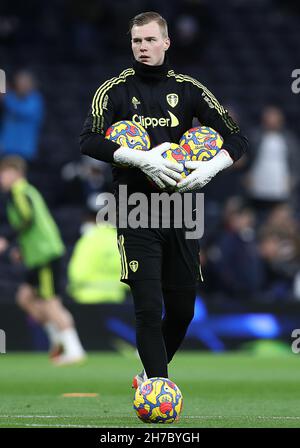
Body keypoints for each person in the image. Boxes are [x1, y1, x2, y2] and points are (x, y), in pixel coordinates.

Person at [80, 11, 248, 386]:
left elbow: (237, 138)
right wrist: (140, 158)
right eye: (137, 41)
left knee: (183, 310)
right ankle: (158, 386)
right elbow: (88, 139)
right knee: (148, 307)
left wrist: (210, 169)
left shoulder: (189, 89)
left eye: (151, 40)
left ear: (166, 42)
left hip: (181, 211)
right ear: (131, 43)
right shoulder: (114, 90)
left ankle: (147, 375)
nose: (143, 47)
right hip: (135, 211)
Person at [0, 156, 86, 365]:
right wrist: (21, 248)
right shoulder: (22, 192)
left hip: (45, 254)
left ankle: (73, 350)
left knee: (50, 302)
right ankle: (58, 343)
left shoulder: (20, 191)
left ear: (14, 173)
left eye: (3, 174)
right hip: (36, 255)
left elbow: (27, 218)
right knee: (25, 297)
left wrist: (7, 239)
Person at [0, 70, 44, 161]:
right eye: (19, 82)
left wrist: (5, 96)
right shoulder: (11, 96)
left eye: (24, 82)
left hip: (24, 150)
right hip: (6, 148)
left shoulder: (36, 100)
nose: (21, 85)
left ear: (31, 84)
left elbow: (23, 111)